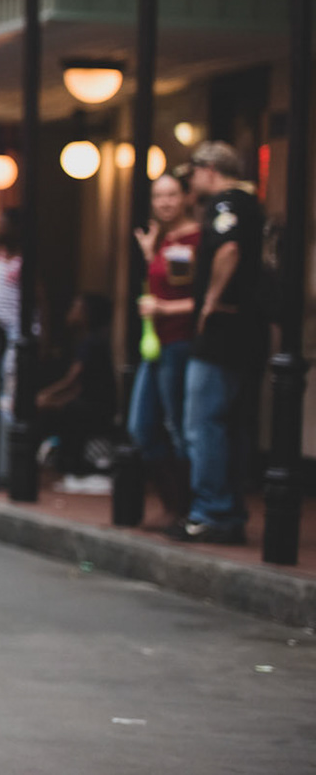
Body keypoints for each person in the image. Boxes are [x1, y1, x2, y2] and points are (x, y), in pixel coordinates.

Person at [172, 142, 266, 545]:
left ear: (209, 169)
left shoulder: (227, 204)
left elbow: (229, 249)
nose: (190, 182)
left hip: (223, 333)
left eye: (192, 173)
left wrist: (209, 301)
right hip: (244, 333)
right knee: (229, 425)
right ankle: (227, 512)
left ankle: (211, 510)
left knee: (204, 423)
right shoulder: (250, 203)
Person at [130, 172, 198, 523]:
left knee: (178, 426)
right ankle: (172, 505)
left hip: (180, 342)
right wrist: (149, 254)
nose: (165, 202)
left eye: (172, 194)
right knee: (141, 426)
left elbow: (197, 297)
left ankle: (184, 510)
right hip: (155, 344)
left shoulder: (195, 238)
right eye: (158, 196)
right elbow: (165, 283)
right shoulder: (163, 238)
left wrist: (164, 309)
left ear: (185, 197)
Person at [36, 293, 118, 480]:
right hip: (89, 403)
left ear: (87, 314)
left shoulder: (91, 343)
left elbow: (72, 380)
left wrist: (44, 396)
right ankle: (61, 460)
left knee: (59, 412)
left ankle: (66, 462)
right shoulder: (85, 341)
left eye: (76, 308)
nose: (71, 312)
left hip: (96, 407)